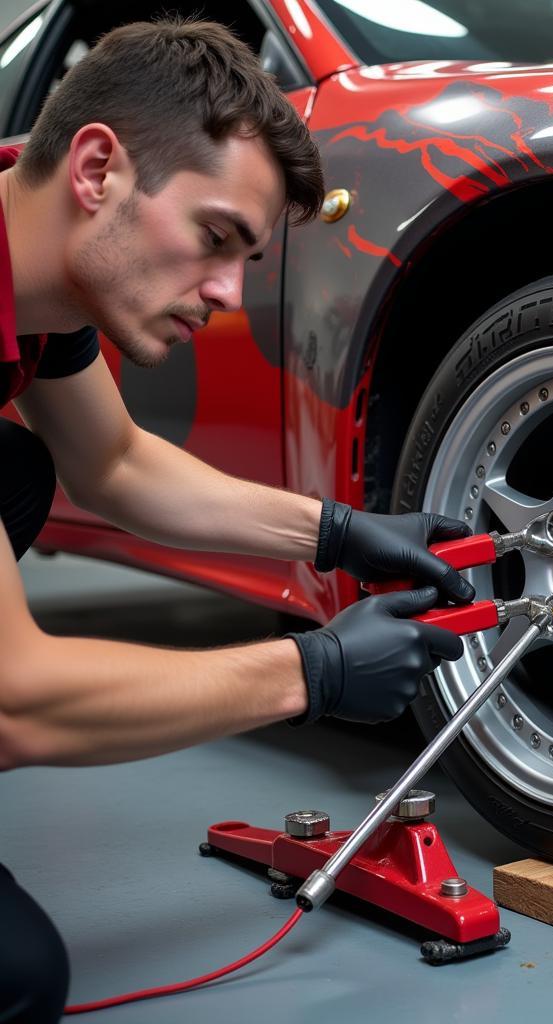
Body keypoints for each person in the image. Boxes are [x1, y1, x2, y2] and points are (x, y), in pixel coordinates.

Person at [0, 19, 476, 1022]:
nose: (222, 294)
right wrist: (313, 673)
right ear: (98, 169)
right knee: (22, 979)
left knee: (21, 468)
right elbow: (13, 700)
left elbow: (118, 464)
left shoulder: (37, 260)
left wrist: (340, 531)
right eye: (215, 238)